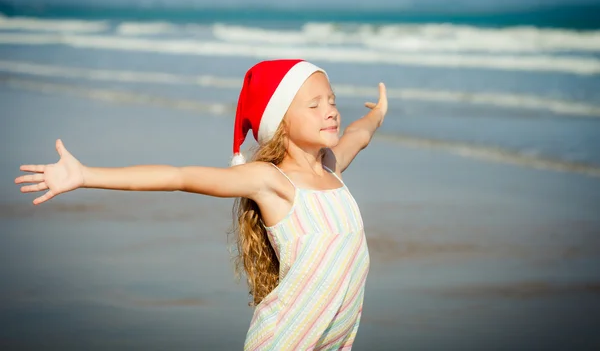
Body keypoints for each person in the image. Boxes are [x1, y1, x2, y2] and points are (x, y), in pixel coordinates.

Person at [15, 59, 387, 350]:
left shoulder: (332, 167)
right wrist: (85, 175)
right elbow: (179, 176)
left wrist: (377, 113)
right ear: (282, 123)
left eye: (333, 101)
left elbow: (359, 134)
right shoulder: (272, 182)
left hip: (331, 341)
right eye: (315, 104)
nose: (331, 110)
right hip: (282, 341)